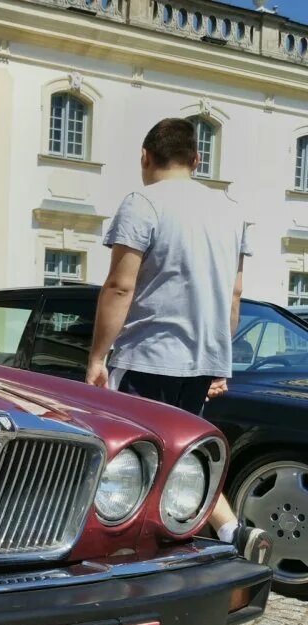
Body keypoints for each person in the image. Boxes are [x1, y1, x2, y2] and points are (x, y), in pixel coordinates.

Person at [86, 117, 272, 565]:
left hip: (149, 351)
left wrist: (96, 357)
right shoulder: (231, 212)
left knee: (129, 455)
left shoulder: (143, 202)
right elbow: (235, 292)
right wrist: (219, 361)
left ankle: (116, 551)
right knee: (182, 451)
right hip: (203, 358)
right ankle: (231, 531)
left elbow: (119, 286)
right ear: (196, 160)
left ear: (145, 158)